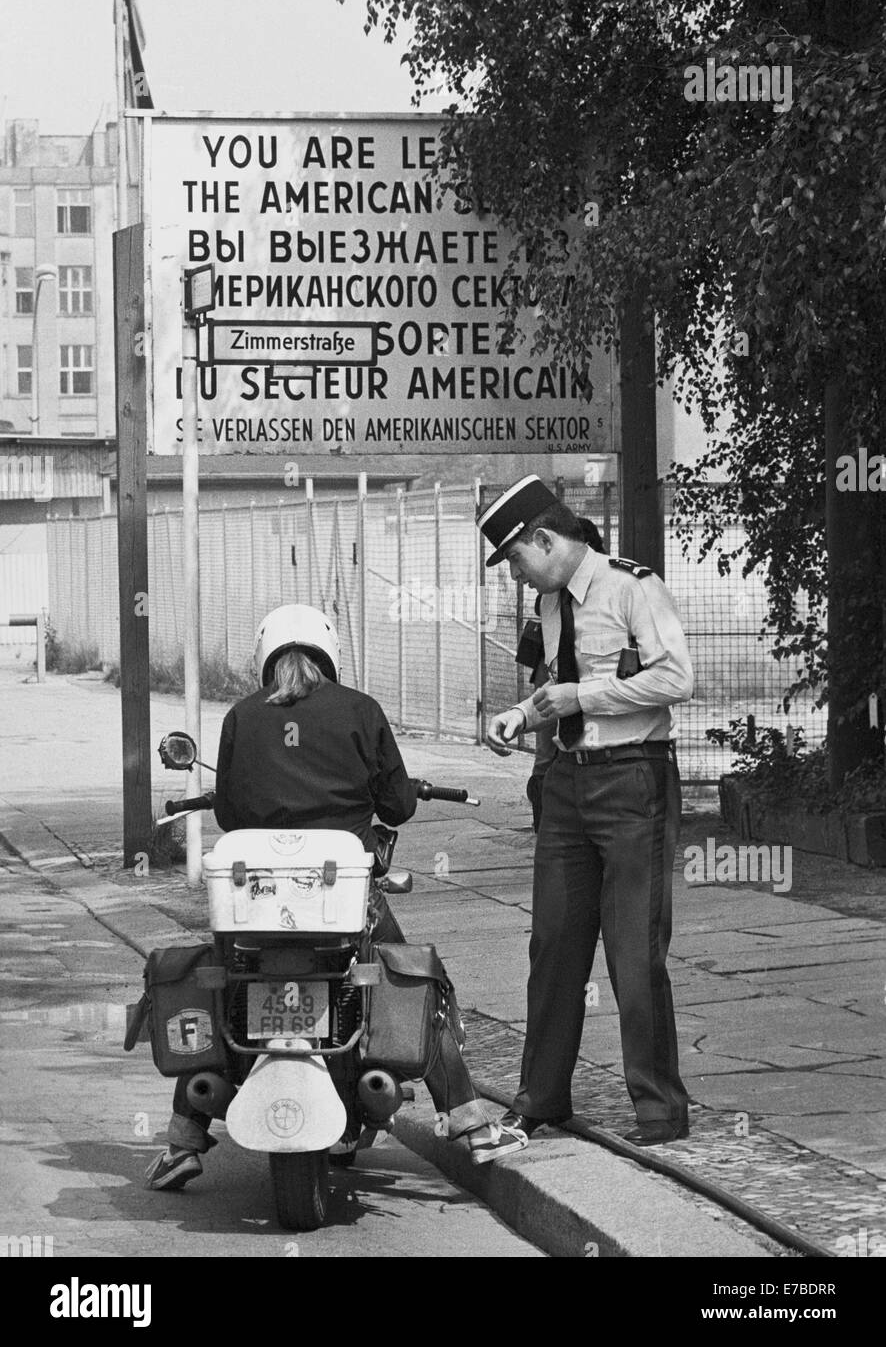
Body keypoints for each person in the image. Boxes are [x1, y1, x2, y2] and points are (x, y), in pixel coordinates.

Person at [145, 604, 520, 1190]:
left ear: (266, 655)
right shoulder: (361, 711)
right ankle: (470, 1122)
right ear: (330, 654)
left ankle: (183, 1138)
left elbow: (231, 814)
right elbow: (397, 805)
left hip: (255, 908)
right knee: (415, 981)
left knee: (219, 983)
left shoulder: (242, 716)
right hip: (341, 900)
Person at [478, 475, 694, 1154]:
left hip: (634, 780)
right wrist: (520, 714)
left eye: (516, 556)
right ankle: (540, 1099)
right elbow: (554, 685)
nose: (515, 572)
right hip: (568, 786)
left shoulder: (633, 587)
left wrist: (585, 696)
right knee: (554, 946)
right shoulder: (549, 605)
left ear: (546, 539)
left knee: (635, 952)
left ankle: (660, 1112)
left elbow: (675, 678)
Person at [517, 516, 605, 832]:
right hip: (552, 674)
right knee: (546, 754)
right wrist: (520, 715)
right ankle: (545, 823)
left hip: (613, 768)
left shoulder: (619, 589)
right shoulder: (550, 596)